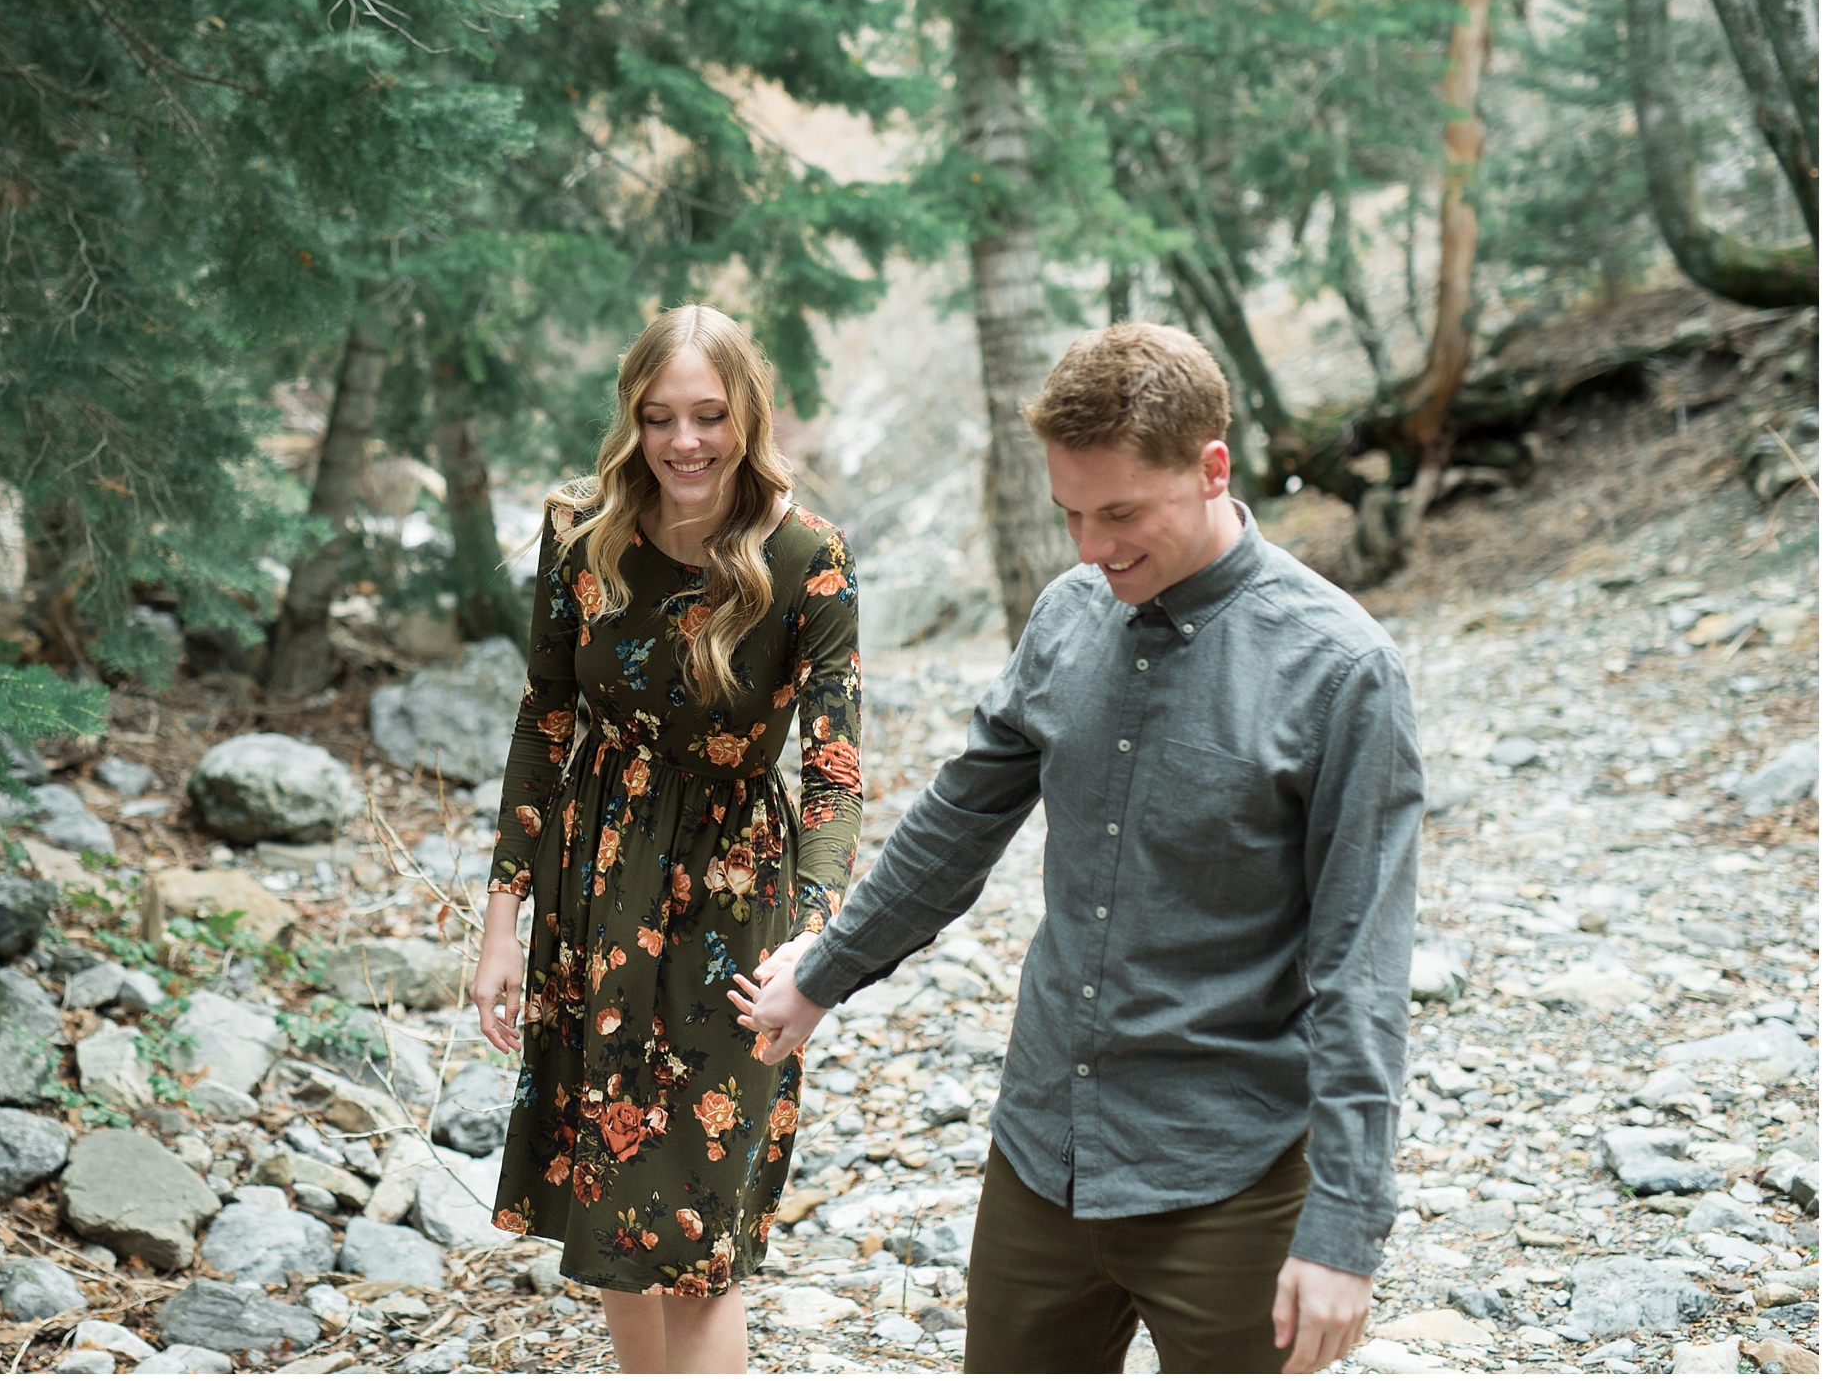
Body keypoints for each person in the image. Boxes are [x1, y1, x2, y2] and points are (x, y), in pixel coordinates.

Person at [733, 322, 1421, 1375]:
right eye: (1069, 515)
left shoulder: (1340, 671)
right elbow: (956, 826)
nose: (1090, 549)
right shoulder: (1065, 616)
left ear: (1210, 470)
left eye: (1120, 514)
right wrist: (821, 975)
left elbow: (1359, 972)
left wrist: (1342, 1230)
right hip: (1042, 1153)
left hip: (1228, 1177)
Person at [471, 303, 864, 1374]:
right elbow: (544, 721)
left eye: (707, 415)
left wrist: (816, 945)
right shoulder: (578, 532)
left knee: (696, 1226)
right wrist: (501, 925)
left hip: (737, 899)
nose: (684, 442)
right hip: (595, 883)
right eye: (658, 417)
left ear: (747, 415)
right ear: (630, 420)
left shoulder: (805, 556)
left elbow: (832, 777)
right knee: (611, 1200)